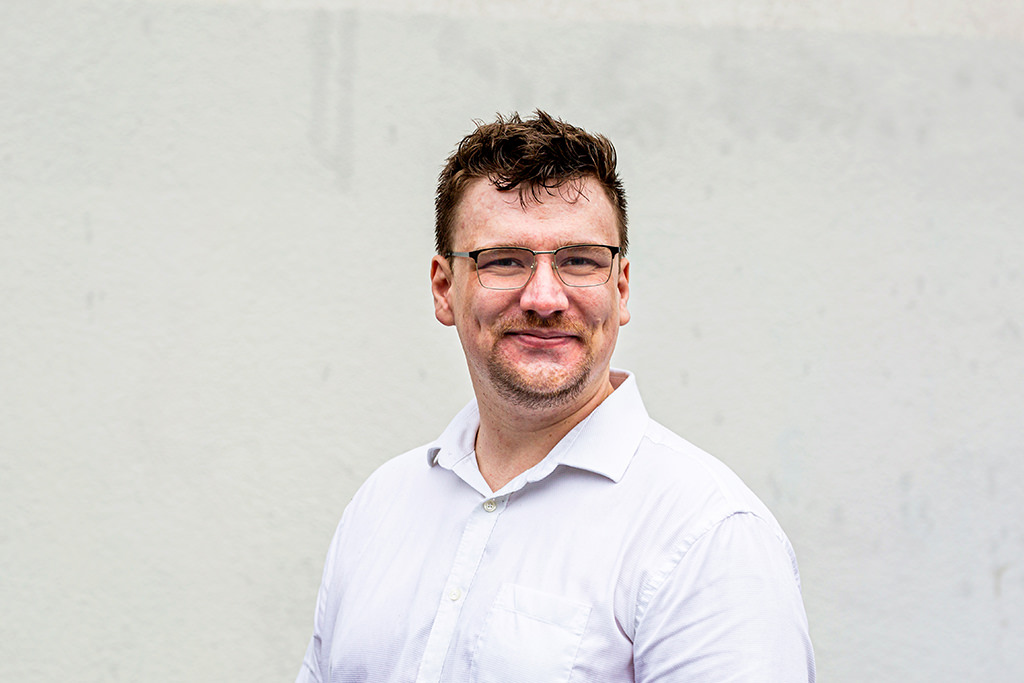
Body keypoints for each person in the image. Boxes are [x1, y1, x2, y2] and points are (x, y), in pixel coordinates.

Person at [296, 110, 815, 682]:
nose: (545, 298)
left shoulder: (708, 534)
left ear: (620, 288)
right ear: (444, 289)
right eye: (504, 261)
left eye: (579, 261)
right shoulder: (380, 507)